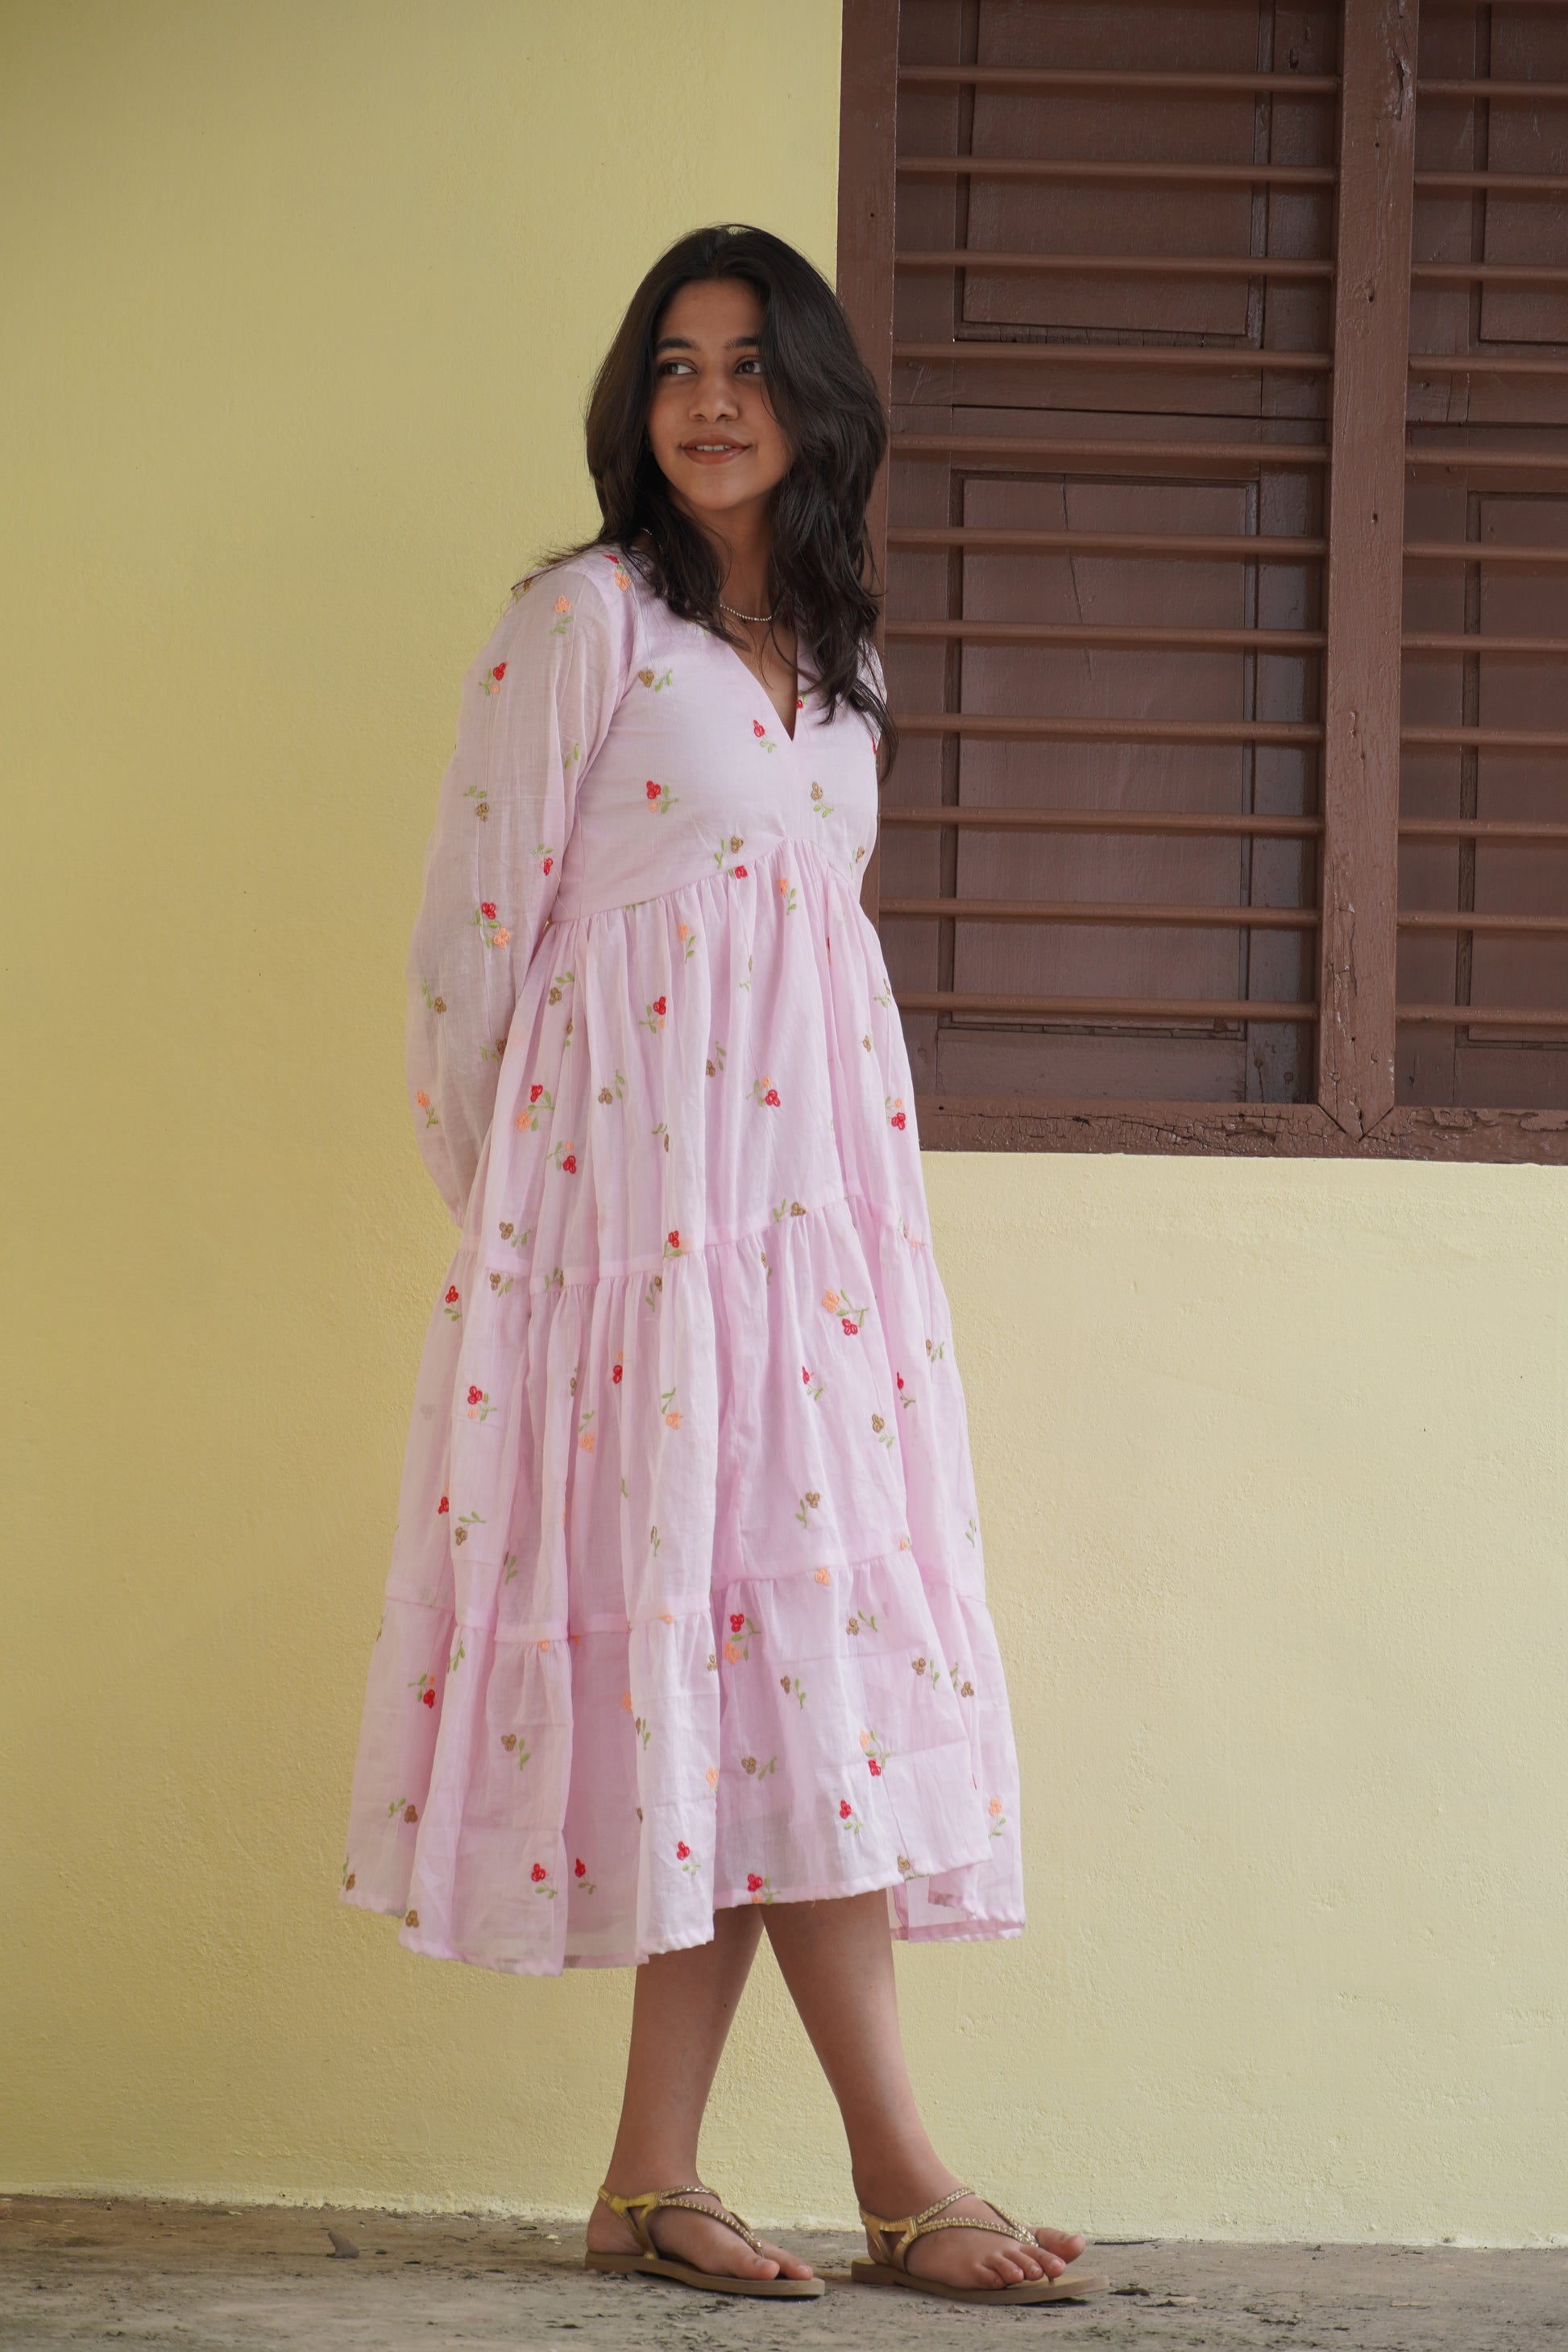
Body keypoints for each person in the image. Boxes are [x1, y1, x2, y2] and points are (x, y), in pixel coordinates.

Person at [339, 223, 1105, 2309]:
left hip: (812, 1255)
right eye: (674, 364)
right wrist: (535, 1242)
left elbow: (813, 971)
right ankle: (898, 2171)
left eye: (750, 365)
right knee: (750, 1665)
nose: (708, 400)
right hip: (630, 1257)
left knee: (765, 1676)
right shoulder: (584, 623)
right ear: (635, 401)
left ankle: (651, 2179)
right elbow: (469, 954)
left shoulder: (847, 669)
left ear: (813, 401)